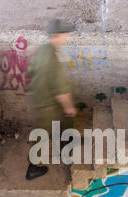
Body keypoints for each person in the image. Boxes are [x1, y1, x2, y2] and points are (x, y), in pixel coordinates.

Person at [26, 19, 78, 180]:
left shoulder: (43, 49)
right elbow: (61, 89)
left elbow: (31, 70)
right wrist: (69, 107)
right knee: (43, 133)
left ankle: (67, 139)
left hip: (39, 95)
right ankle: (33, 168)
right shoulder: (53, 58)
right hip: (46, 102)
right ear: (57, 35)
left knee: (53, 124)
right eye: (65, 34)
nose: (68, 37)